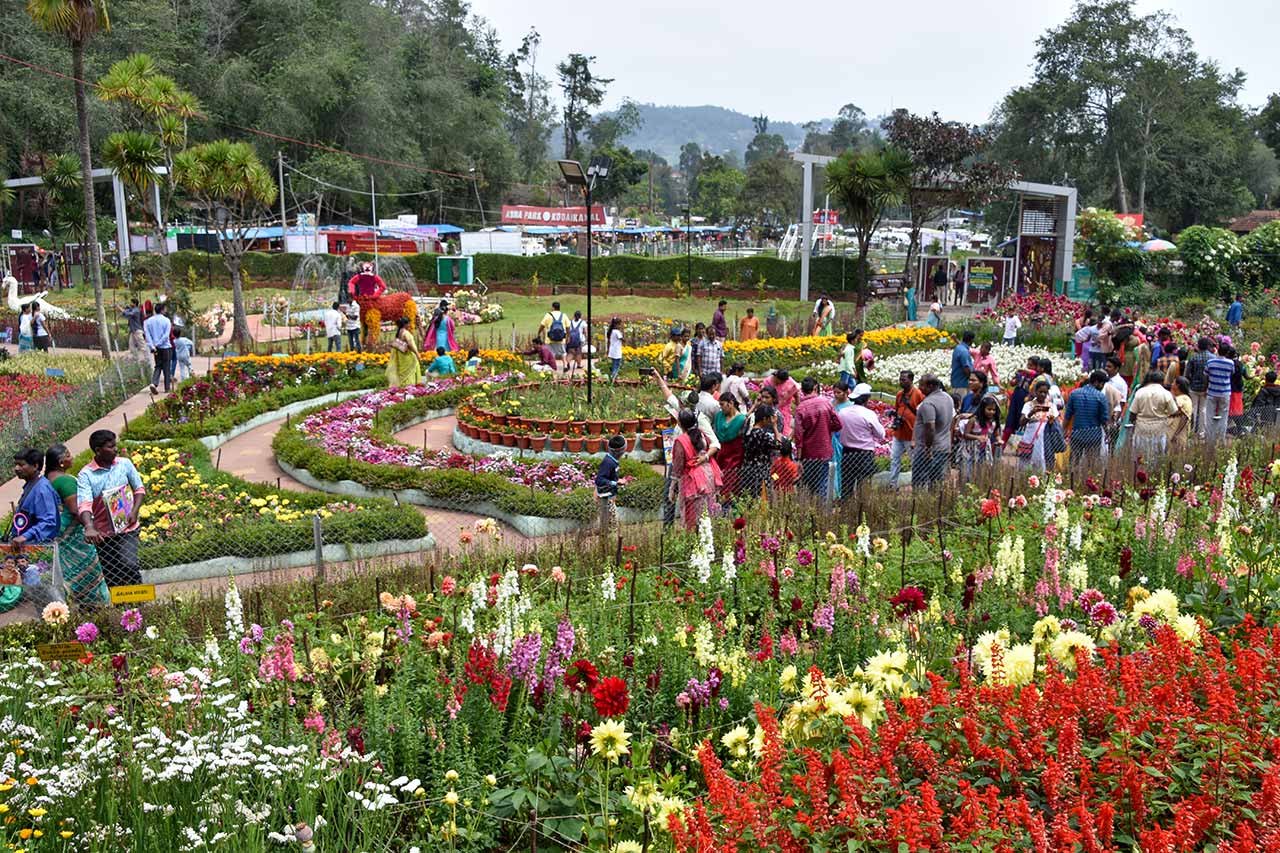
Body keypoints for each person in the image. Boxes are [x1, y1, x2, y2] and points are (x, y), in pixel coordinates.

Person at [76, 430, 146, 588]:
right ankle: (120, 608)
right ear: (98, 450)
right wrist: (89, 527)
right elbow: (84, 504)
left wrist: (134, 511)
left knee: (129, 564)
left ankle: (140, 604)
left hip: (127, 527)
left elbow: (139, 489)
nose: (115, 449)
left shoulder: (124, 464)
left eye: (115, 445)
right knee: (111, 573)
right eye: (110, 446)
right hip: (103, 533)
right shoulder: (86, 475)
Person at [44, 444, 109, 606]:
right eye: (68, 455)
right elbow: (76, 510)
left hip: (59, 535)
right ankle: (98, 606)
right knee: (89, 571)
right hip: (75, 537)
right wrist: (91, 527)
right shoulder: (65, 481)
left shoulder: (47, 480)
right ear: (60, 462)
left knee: (68, 573)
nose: (71, 457)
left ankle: (75, 605)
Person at [792, 376, 842, 497]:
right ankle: (822, 512)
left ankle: (809, 510)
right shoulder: (826, 403)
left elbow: (799, 436)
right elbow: (838, 424)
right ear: (815, 387)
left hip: (808, 453)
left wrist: (798, 459)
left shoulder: (800, 409)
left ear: (802, 391)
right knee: (823, 483)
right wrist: (826, 429)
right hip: (825, 450)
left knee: (808, 485)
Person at [670, 409, 719, 529]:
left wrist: (672, 487)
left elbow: (678, 467)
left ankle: (693, 539)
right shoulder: (701, 434)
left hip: (691, 480)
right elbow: (711, 446)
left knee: (691, 514)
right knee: (706, 509)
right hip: (708, 475)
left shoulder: (681, 441)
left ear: (680, 423)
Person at [837, 382, 884, 495]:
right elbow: (880, 434)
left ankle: (845, 508)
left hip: (847, 452)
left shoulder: (842, 412)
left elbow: (838, 429)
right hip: (864, 455)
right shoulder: (868, 414)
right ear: (866, 399)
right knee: (863, 486)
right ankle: (860, 509)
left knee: (846, 485)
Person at [8, 449, 60, 545]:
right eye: (15, 464)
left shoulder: (42, 489)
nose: (16, 468)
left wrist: (25, 536)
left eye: (21, 465)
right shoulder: (31, 485)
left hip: (37, 548)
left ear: (35, 466)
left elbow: (49, 521)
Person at [912, 375, 954, 489]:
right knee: (936, 482)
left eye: (921, 385)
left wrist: (928, 448)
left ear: (930, 386)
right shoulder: (947, 397)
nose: (919, 388)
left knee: (919, 483)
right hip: (944, 447)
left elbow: (930, 427)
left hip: (929, 450)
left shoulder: (928, 404)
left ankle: (920, 504)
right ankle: (934, 504)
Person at [1063, 370, 1110, 467]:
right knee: (1091, 464)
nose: (1102, 387)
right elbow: (1104, 419)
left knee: (1073, 462)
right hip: (1093, 436)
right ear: (1096, 382)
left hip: (1077, 434)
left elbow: (1067, 415)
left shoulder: (1074, 394)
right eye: (1102, 384)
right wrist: (1108, 433)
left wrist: (1063, 430)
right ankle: (1089, 480)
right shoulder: (1100, 397)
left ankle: (1071, 479)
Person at [1128, 371, 1178, 458]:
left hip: (1141, 429)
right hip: (1159, 430)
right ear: (1162, 381)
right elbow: (1174, 412)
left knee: (1140, 457)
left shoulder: (1140, 392)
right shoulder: (1166, 394)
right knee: (1157, 457)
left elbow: (1132, 414)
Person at [889, 371, 923, 488]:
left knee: (914, 461)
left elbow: (922, 413)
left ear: (911, 380)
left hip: (911, 435)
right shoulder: (899, 395)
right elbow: (897, 408)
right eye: (900, 379)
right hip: (898, 433)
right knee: (894, 459)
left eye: (904, 380)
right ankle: (893, 485)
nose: (901, 382)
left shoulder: (918, 394)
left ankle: (916, 484)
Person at [739, 404, 780, 501]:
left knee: (748, 499)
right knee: (761, 500)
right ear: (765, 419)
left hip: (747, 470)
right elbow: (778, 445)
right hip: (761, 473)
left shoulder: (748, 432)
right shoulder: (762, 434)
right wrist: (775, 426)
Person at [1017, 380, 1058, 472]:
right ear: (1035, 392)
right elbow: (1021, 422)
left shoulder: (1051, 406)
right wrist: (1031, 412)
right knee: (1026, 465)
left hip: (1045, 440)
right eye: (1040, 392)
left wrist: (1051, 421)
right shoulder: (1029, 405)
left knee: (1042, 463)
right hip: (1030, 439)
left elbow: (1056, 424)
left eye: (1045, 392)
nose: (1043, 394)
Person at [958, 395, 1002, 478]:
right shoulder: (974, 420)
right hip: (970, 450)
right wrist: (977, 437)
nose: (992, 412)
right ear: (983, 409)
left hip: (983, 451)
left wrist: (999, 440)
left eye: (994, 410)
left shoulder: (993, 423)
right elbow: (966, 434)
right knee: (967, 473)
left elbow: (996, 434)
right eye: (989, 409)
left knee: (980, 473)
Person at [713, 395, 747, 496]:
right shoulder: (719, 416)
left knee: (731, 482)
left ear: (731, 403)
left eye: (722, 404)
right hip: (719, 454)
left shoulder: (741, 419)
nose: (721, 407)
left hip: (734, 457)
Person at [1204, 344, 1235, 444]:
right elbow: (1231, 374)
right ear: (1227, 353)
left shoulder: (1210, 362)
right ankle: (1221, 438)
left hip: (1212, 391)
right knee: (1224, 416)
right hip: (1225, 392)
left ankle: (1210, 438)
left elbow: (1206, 375)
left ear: (1218, 350)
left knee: (1209, 415)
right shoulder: (1230, 363)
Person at [1004, 356, 1039, 444]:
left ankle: (1023, 447)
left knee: (1023, 421)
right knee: (1010, 420)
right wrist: (1014, 380)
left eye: (1031, 365)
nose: (1028, 367)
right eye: (1028, 364)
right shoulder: (1023, 374)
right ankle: (1002, 444)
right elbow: (1013, 383)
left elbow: (1033, 373)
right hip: (1016, 398)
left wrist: (1022, 370)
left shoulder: (1036, 376)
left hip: (1025, 401)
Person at [595, 435, 627, 531]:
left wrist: (617, 481)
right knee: (612, 524)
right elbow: (599, 479)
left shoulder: (613, 461)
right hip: (605, 498)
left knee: (610, 523)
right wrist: (615, 483)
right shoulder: (608, 462)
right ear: (620, 451)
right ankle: (607, 541)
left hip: (610, 497)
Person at [1184, 337, 1213, 435]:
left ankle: (1190, 430)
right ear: (1208, 346)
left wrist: (1191, 381)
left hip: (1194, 387)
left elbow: (1187, 374)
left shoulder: (1193, 357)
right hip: (1206, 388)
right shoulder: (1212, 357)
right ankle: (1202, 432)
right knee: (1203, 409)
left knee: (1193, 409)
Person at [144, 303, 173, 393]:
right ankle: (167, 388)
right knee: (166, 367)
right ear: (162, 310)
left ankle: (154, 382)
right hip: (165, 347)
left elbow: (147, 335)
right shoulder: (166, 320)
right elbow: (166, 335)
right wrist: (158, 344)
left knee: (158, 366)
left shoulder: (148, 321)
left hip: (155, 349)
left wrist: (152, 345)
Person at [385, 317, 422, 387]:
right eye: (408, 323)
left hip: (401, 355)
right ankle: (410, 387)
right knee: (410, 371)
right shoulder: (406, 333)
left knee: (403, 372)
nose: (409, 325)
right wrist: (417, 353)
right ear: (405, 324)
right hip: (407, 355)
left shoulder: (399, 332)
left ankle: (403, 387)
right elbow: (411, 345)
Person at [768, 369, 800, 437]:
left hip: (785, 411)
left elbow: (796, 395)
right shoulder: (769, 381)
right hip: (771, 409)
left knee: (783, 431)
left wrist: (799, 409)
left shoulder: (790, 383)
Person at [1168, 377, 1195, 450]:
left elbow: (1184, 417)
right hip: (1173, 432)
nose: (1172, 384)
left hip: (1178, 434)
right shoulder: (1181, 398)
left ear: (1178, 386)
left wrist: (1176, 434)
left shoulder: (1184, 399)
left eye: (1173, 383)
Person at [539, 301, 568, 365]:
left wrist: (539, 332)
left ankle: (552, 366)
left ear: (553, 307)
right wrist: (568, 336)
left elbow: (542, 325)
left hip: (550, 339)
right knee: (563, 353)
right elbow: (568, 327)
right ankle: (565, 365)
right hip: (561, 338)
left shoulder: (548, 315)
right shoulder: (564, 315)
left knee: (551, 353)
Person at [950, 330, 974, 405]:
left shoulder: (959, 347)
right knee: (961, 405)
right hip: (962, 384)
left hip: (956, 382)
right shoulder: (964, 352)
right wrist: (973, 379)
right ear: (971, 340)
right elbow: (966, 369)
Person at [566, 310, 587, 377]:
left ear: (574, 315)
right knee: (578, 352)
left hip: (571, 339)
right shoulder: (583, 322)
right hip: (579, 340)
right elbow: (585, 331)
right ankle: (578, 365)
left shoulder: (570, 322)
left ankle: (567, 362)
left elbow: (567, 331)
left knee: (570, 352)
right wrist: (586, 338)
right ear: (580, 316)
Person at [607, 318, 624, 382]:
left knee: (614, 363)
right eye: (620, 324)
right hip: (617, 351)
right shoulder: (617, 332)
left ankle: (613, 376)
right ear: (616, 325)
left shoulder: (611, 331)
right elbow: (622, 339)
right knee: (616, 364)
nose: (620, 326)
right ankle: (614, 376)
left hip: (612, 350)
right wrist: (622, 332)